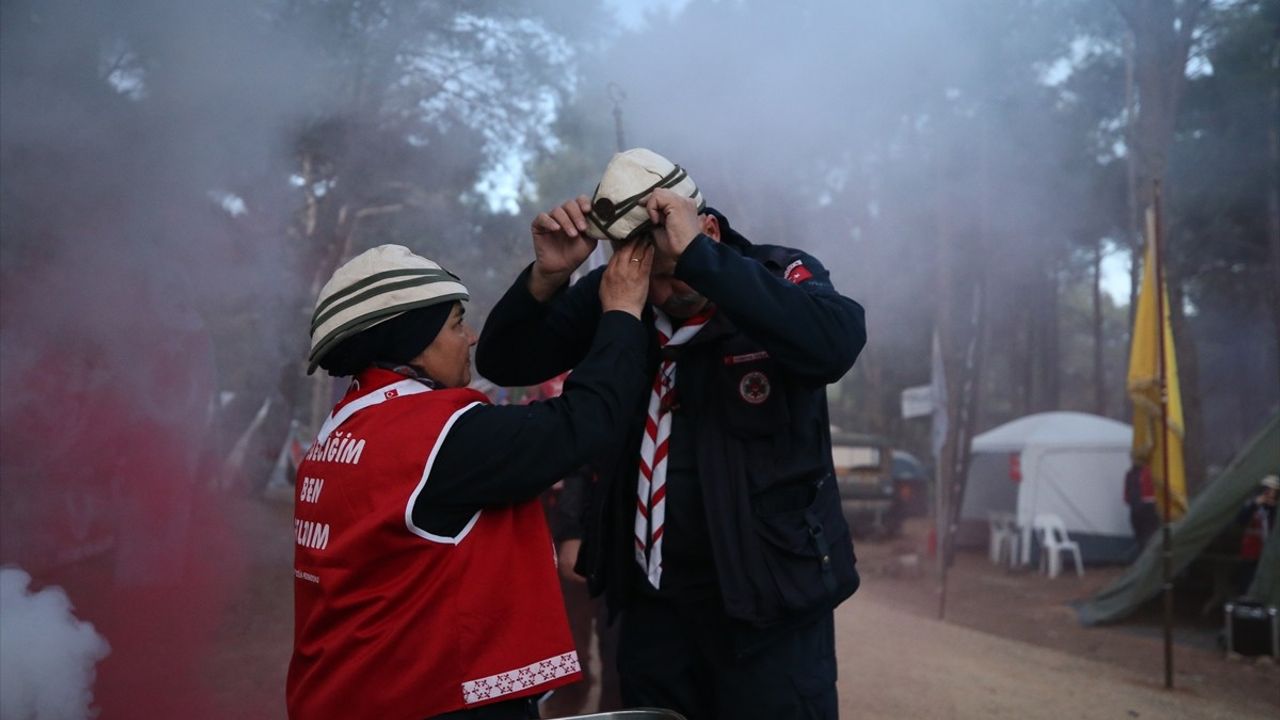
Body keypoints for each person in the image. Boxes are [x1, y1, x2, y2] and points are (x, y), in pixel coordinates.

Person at [475, 148, 867, 720]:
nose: (659, 293)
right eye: (649, 279)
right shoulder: (623, 286)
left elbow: (835, 343)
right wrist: (546, 278)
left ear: (704, 228)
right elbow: (506, 361)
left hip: (769, 608)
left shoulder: (772, 274)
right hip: (653, 607)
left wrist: (702, 262)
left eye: (669, 273)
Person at [287, 242, 653, 720]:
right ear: (414, 342)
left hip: (352, 694)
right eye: (457, 324)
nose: (472, 337)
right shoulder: (434, 434)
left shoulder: (342, 428)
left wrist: (543, 280)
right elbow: (583, 423)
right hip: (429, 701)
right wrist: (622, 311)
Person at [1235, 473, 1278, 595]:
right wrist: (1256, 504)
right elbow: (1241, 520)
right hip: (1250, 552)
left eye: (1273, 490)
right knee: (1247, 582)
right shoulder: (1253, 504)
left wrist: (1272, 507)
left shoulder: (1274, 509)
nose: (1270, 493)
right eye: (1268, 489)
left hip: (1269, 555)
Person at [1123, 461, 1159, 551]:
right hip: (1148, 507)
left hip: (1137, 508)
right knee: (1149, 534)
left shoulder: (1130, 474)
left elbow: (1126, 497)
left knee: (1142, 535)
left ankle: (1144, 556)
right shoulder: (1152, 472)